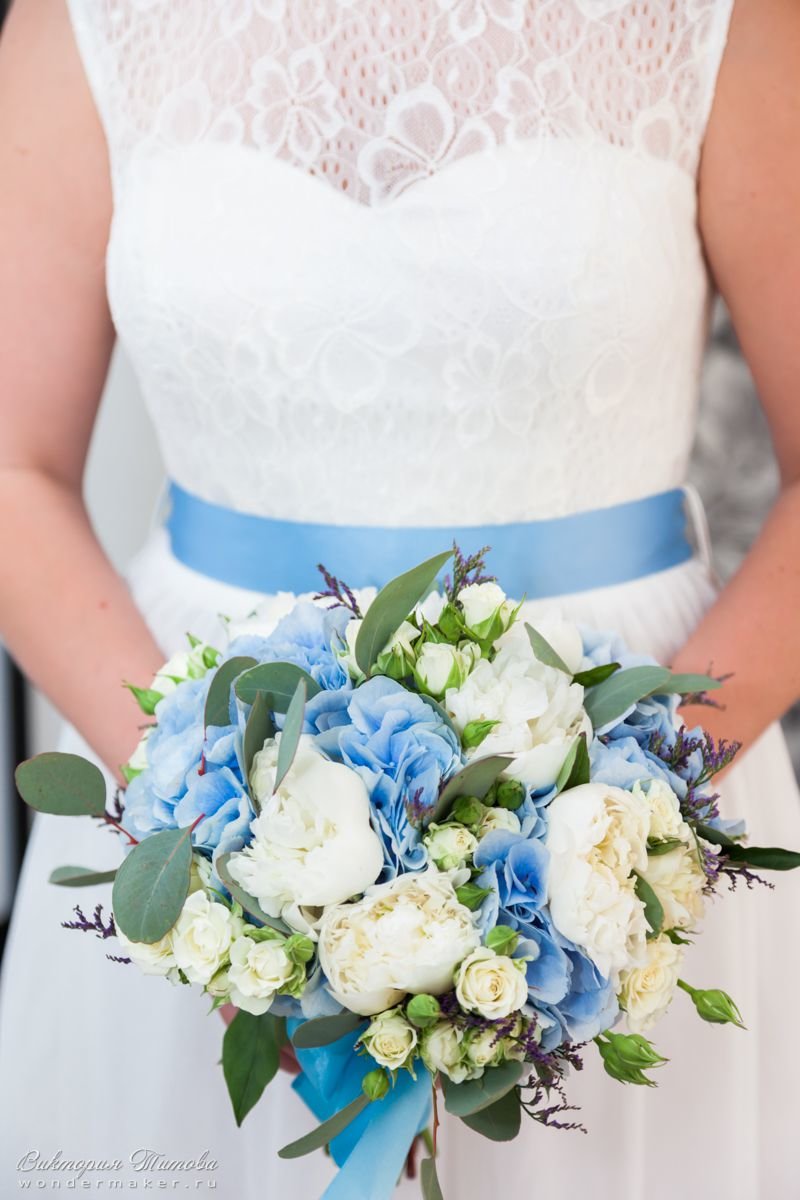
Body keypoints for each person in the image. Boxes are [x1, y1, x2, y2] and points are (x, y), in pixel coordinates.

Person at [1, 1, 799, 1196]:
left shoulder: (720, 20)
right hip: (191, 747)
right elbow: (11, 469)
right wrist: (212, 837)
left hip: (627, 776)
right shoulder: (86, 20)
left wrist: (625, 821)